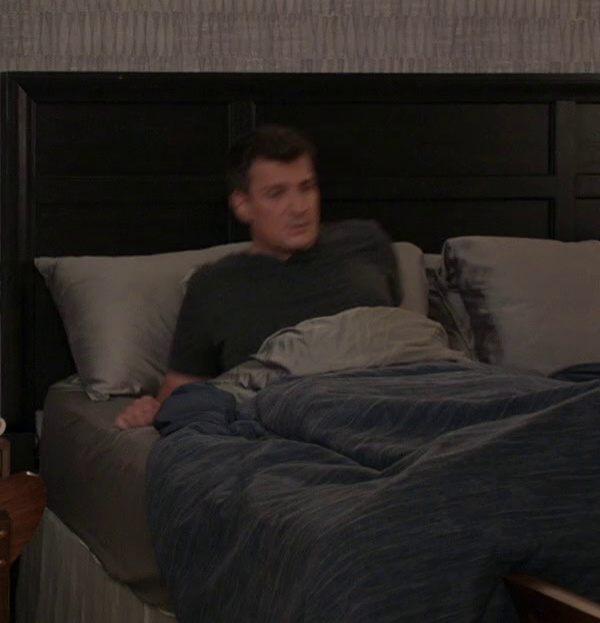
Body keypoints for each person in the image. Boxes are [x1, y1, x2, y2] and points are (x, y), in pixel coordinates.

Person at [114, 125, 399, 429]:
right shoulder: (214, 286)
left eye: (306, 188)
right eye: (277, 194)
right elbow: (182, 393)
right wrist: (154, 409)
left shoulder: (366, 242)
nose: (299, 208)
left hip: (399, 401)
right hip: (297, 421)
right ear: (243, 205)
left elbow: (409, 337)